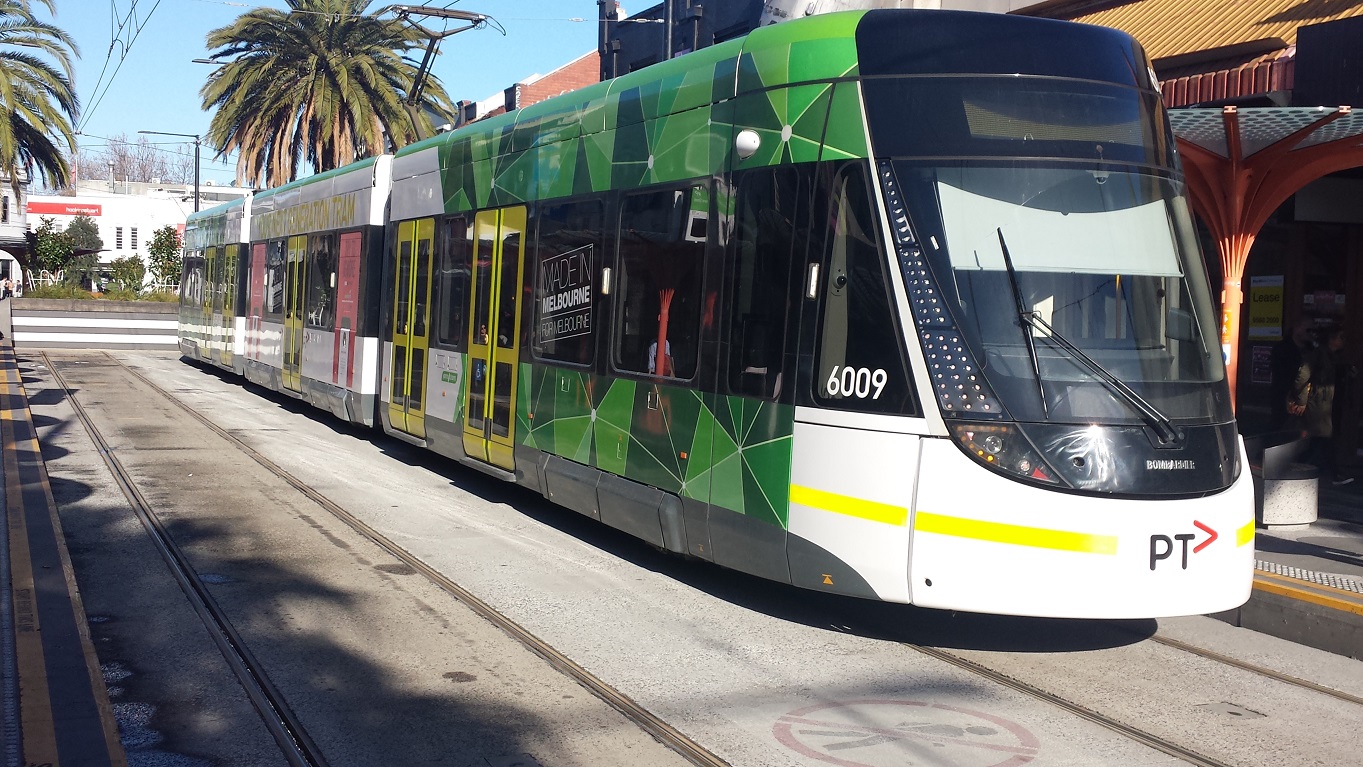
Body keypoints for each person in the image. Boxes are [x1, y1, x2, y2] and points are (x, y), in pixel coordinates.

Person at [1288, 325, 1353, 485]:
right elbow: (1302, 376)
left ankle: (1294, 468)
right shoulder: (1319, 355)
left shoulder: (1333, 356)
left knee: (1318, 440)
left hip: (1326, 405)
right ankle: (1335, 474)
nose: (1343, 341)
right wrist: (1301, 400)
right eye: (1340, 337)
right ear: (1331, 339)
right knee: (1323, 439)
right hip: (1318, 405)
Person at [1270, 318, 1313, 429]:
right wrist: (1291, 399)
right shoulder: (1282, 349)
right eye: (1308, 330)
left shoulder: (1311, 350)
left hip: (1307, 403)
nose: (1311, 334)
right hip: (1285, 401)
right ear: (1297, 328)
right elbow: (1279, 377)